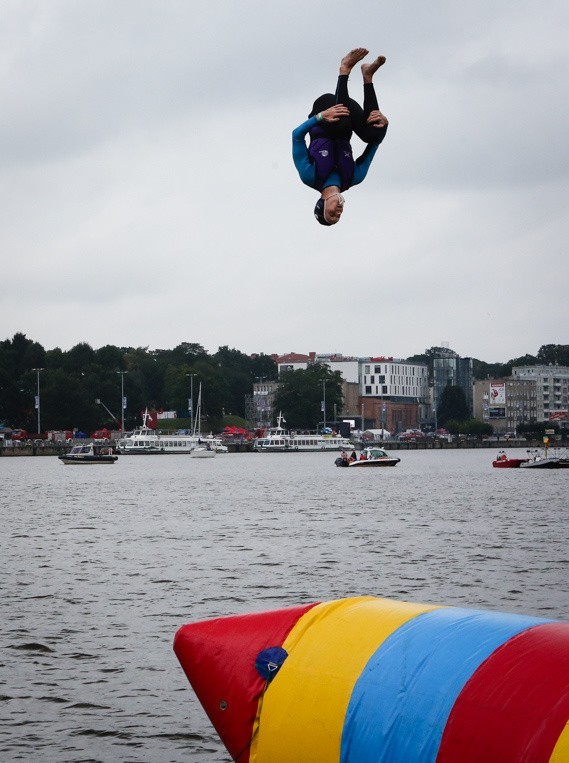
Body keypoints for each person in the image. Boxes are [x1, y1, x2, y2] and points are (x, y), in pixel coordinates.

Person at [292, 48, 389, 226]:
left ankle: (345, 69)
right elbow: (376, 143)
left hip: (325, 108)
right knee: (373, 133)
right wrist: (385, 123)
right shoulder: (354, 177)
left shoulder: (310, 176)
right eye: (339, 217)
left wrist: (320, 117)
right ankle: (368, 76)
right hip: (346, 110)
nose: (338, 213)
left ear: (322, 204)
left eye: (332, 215)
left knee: (340, 123)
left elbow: (296, 136)